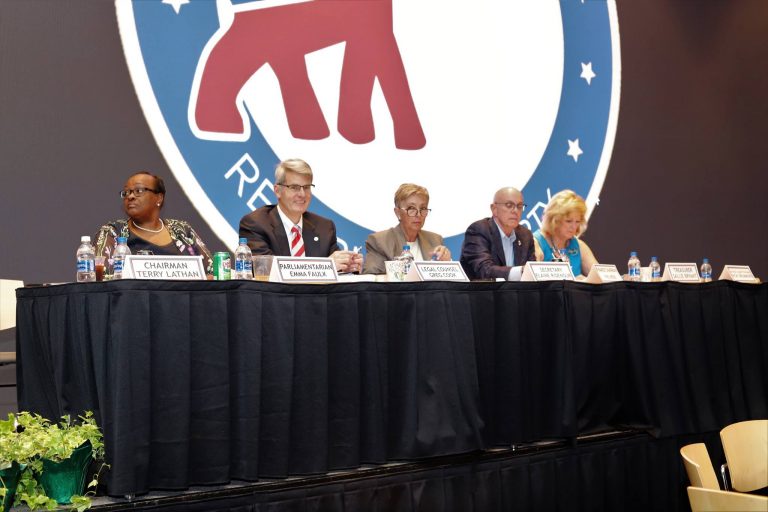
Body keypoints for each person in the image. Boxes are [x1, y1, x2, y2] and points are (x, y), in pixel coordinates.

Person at [238, 158, 362, 273]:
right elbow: (264, 269)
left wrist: (348, 266)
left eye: (306, 187)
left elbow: (335, 268)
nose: (302, 194)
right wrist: (326, 266)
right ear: (277, 191)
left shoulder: (324, 227)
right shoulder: (256, 224)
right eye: (294, 187)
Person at [94, 171, 214, 274]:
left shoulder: (182, 231)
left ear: (159, 198)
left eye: (138, 191)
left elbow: (213, 273)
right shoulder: (113, 232)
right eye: (126, 192)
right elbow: (101, 277)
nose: (130, 196)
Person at [362, 183, 451, 274]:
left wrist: (447, 264)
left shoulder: (435, 240)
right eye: (411, 208)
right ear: (397, 212)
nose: (418, 214)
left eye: (423, 208)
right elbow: (370, 278)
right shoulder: (380, 241)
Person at [460, 187, 536, 280]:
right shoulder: (478, 230)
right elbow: (485, 270)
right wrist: (521, 271)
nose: (515, 211)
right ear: (494, 209)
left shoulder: (525, 235)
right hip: (484, 289)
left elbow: (532, 272)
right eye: (509, 205)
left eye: (519, 206)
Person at [533, 189, 598, 278]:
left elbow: (600, 277)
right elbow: (532, 281)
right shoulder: (536, 243)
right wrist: (574, 281)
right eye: (568, 221)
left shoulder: (579, 245)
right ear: (554, 220)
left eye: (577, 221)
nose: (574, 227)